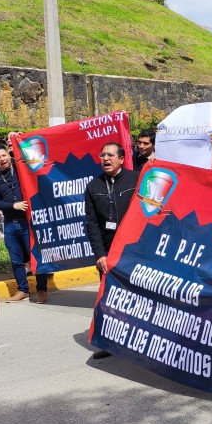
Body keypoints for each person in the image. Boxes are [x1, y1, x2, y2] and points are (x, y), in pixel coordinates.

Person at [84, 142, 140, 359]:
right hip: (108, 253)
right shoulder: (93, 186)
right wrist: (100, 254)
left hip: (134, 251)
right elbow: (91, 224)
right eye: (102, 154)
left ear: (121, 158)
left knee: (137, 297)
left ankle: (137, 339)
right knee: (110, 298)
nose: (105, 159)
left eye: (110, 155)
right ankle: (110, 342)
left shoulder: (136, 180)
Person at [0, 145, 49, 303]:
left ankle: (42, 290)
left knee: (36, 257)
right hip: (10, 225)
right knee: (16, 260)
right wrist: (12, 206)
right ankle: (23, 290)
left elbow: (37, 160)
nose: (2, 159)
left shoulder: (21, 168)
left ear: (8, 154)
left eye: (4, 155)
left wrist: (21, 142)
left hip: (28, 223)